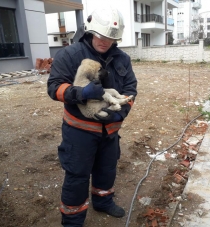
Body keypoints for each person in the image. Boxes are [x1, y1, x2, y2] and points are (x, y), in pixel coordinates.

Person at [47, 6, 138, 227]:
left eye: (110, 38)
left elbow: (130, 90)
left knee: (106, 169)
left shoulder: (122, 58)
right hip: (80, 132)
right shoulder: (70, 55)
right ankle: (73, 220)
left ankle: (103, 202)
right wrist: (81, 93)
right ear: (90, 31)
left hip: (110, 131)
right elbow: (54, 88)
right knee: (77, 176)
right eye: (101, 35)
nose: (105, 41)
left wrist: (120, 114)